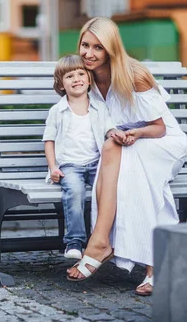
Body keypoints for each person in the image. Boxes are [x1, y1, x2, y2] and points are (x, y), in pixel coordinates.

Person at [66, 17, 187, 297]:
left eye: (98, 48)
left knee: (130, 165)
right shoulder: (86, 78)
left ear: (111, 49)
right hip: (124, 147)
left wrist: (134, 134)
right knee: (115, 150)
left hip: (161, 142)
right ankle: (152, 266)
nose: (88, 53)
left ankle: (100, 243)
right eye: (85, 45)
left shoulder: (134, 75)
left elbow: (160, 128)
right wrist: (115, 133)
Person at [43, 54, 124, 260]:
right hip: (70, 166)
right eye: (70, 76)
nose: (76, 79)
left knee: (112, 189)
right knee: (75, 191)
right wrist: (53, 167)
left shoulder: (99, 107)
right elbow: (49, 140)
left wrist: (115, 133)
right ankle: (75, 241)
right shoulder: (57, 111)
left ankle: (111, 239)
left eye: (81, 74)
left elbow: (108, 129)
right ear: (61, 84)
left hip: (96, 164)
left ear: (89, 79)